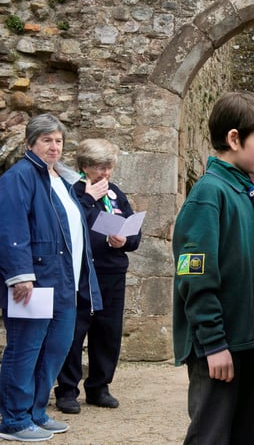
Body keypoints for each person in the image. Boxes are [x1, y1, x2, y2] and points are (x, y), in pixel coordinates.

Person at [172, 91, 254, 445]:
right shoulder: (208, 193)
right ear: (234, 139)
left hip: (250, 343)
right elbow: (194, 274)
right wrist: (214, 343)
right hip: (218, 348)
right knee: (211, 435)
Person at [0, 113, 102, 442]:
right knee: (25, 349)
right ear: (31, 143)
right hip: (35, 282)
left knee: (56, 348)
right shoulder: (20, 176)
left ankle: (36, 411)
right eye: (47, 140)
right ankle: (13, 419)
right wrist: (20, 275)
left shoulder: (60, 179)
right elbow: (9, 225)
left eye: (58, 140)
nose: (54, 146)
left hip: (64, 283)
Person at [53, 138, 142, 414]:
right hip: (82, 272)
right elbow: (69, 224)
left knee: (108, 331)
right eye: (100, 167)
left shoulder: (115, 193)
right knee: (75, 331)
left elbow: (134, 233)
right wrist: (89, 199)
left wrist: (124, 240)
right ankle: (67, 390)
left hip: (113, 271)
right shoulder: (72, 192)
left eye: (109, 167)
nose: (105, 174)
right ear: (85, 167)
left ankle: (99, 387)